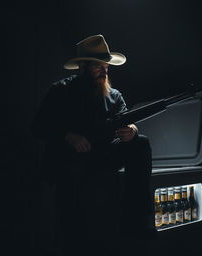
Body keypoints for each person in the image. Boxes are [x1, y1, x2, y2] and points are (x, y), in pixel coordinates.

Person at [31, 34, 156, 250]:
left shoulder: (114, 95)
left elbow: (126, 118)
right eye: (97, 66)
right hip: (70, 161)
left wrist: (132, 130)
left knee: (141, 143)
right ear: (83, 67)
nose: (104, 71)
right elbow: (38, 126)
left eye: (105, 66)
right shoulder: (61, 90)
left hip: (104, 156)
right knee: (77, 230)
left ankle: (134, 220)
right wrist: (68, 136)